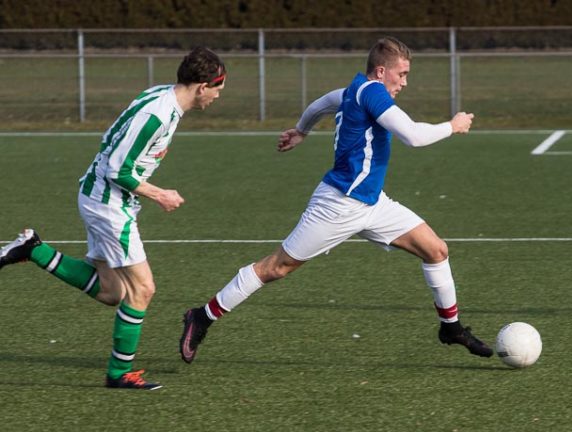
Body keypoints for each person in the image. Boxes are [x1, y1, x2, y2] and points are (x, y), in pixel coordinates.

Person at [179, 37, 492, 363]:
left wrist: (302, 130)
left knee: (436, 250)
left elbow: (322, 103)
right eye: (401, 74)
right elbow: (412, 136)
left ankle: (451, 328)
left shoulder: (354, 90)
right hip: (338, 205)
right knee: (276, 267)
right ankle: (202, 315)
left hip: (373, 203)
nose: (404, 82)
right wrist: (453, 126)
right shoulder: (372, 92)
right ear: (381, 71)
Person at [0, 47, 226, 390]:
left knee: (112, 292)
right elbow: (117, 170)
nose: (218, 95)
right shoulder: (157, 114)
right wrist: (159, 194)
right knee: (143, 289)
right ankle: (120, 373)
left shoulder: (162, 98)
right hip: (108, 204)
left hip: (105, 199)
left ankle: (34, 249)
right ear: (202, 86)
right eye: (218, 88)